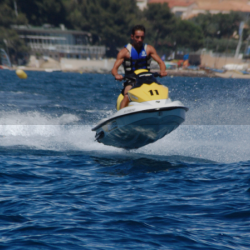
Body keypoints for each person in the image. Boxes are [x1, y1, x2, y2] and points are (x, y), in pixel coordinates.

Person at [111, 24, 167, 109]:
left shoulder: (149, 49)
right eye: (137, 37)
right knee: (127, 94)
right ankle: (120, 116)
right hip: (131, 80)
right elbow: (114, 69)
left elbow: (160, 62)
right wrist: (116, 75)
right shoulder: (124, 52)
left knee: (162, 90)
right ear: (132, 37)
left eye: (142, 37)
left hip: (148, 78)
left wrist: (162, 70)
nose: (140, 40)